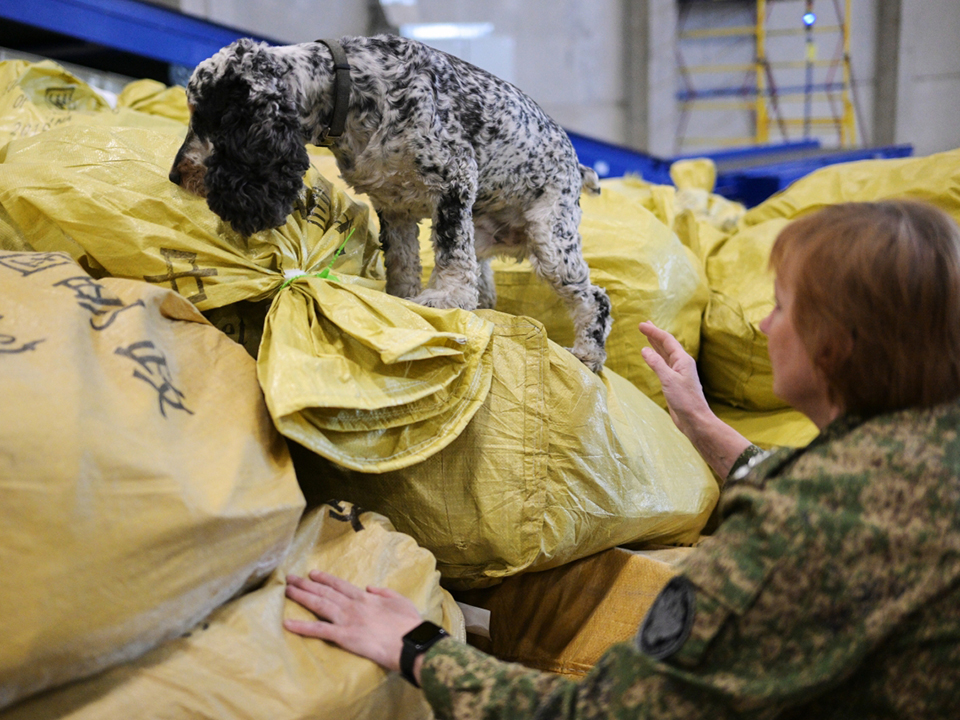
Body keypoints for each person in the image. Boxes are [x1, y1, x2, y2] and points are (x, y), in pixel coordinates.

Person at [284, 199, 960, 718]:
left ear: (833, 348)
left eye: (782, 307)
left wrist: (417, 646)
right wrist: (701, 424)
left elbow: (609, 713)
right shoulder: (924, 449)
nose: (764, 327)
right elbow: (847, 494)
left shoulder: (796, 529)